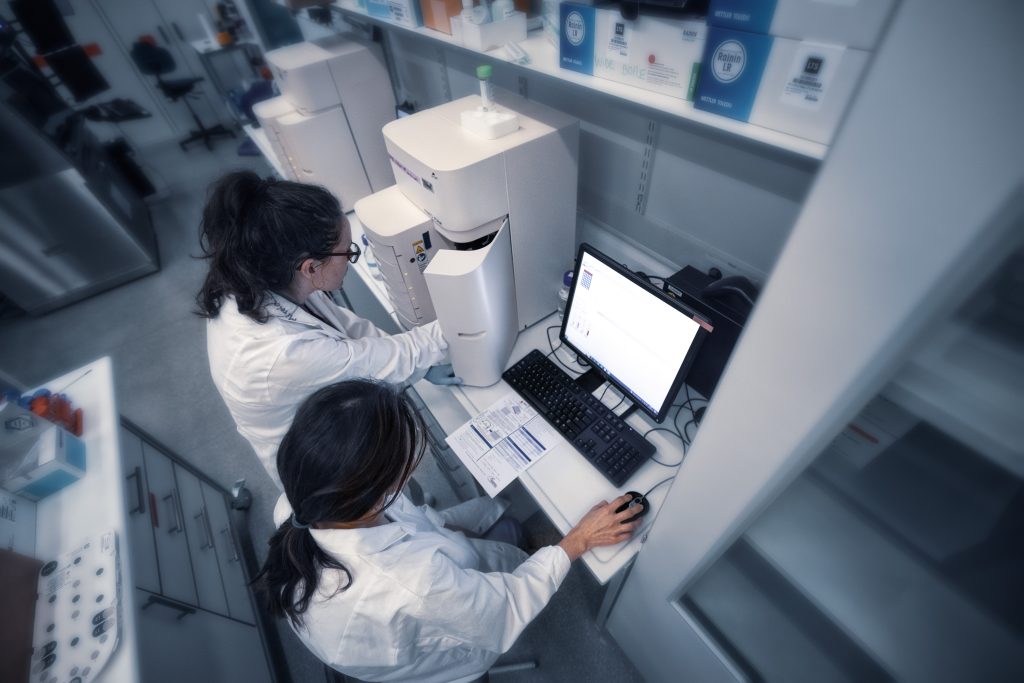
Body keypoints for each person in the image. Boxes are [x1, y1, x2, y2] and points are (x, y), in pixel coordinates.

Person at [258, 379, 641, 683]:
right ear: (375, 493)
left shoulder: (306, 498)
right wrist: (578, 540)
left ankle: (507, 537)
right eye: (403, 465)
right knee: (513, 547)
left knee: (502, 525)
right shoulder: (411, 582)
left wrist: (459, 534)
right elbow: (504, 609)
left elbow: (419, 520)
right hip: (445, 660)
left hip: (405, 601)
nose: (410, 468)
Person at [197, 171, 460, 487]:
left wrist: (418, 363)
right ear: (310, 267)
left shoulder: (263, 277)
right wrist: (465, 314)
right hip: (324, 470)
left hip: (329, 426)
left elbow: (348, 328)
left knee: (398, 503)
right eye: (348, 252)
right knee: (381, 515)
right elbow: (366, 361)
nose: (350, 260)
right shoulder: (282, 353)